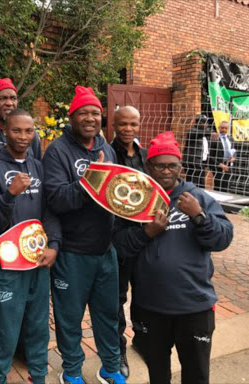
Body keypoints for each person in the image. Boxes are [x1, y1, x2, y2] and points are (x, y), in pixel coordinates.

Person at [112, 131, 234, 384]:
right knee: (158, 373)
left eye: (172, 165)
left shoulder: (198, 198)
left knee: (196, 373)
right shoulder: (135, 201)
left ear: (180, 167)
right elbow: (120, 247)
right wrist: (147, 232)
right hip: (150, 307)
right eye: (160, 166)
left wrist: (199, 216)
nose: (166, 171)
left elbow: (222, 239)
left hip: (194, 306)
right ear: (148, 166)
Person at [43, 86, 126, 384]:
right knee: (69, 319)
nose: (90, 118)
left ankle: (110, 367)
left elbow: (115, 193)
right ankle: (72, 370)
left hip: (105, 250)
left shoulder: (107, 148)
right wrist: (92, 178)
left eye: (96, 113)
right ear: (73, 116)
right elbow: (56, 199)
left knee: (108, 313)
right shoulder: (57, 152)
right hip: (72, 253)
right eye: (84, 113)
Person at [0, 108, 60, 384]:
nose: (23, 137)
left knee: (38, 327)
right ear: (5, 132)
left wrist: (55, 246)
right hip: (8, 265)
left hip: (38, 261)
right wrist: (9, 195)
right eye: (17, 130)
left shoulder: (38, 166)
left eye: (29, 131)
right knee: (5, 329)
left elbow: (50, 211)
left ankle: (39, 376)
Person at [110, 105, 148, 379]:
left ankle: (143, 339)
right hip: (119, 238)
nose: (127, 129)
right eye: (123, 124)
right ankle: (118, 349)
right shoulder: (108, 154)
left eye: (133, 124)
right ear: (114, 124)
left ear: (139, 126)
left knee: (145, 293)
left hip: (146, 236)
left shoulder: (146, 156)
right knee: (117, 298)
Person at [182, 114, 212, 189]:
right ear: (198, 123)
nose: (206, 124)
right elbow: (197, 134)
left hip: (201, 163)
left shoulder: (205, 133)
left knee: (201, 184)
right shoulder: (193, 131)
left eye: (206, 122)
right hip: (193, 163)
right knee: (193, 184)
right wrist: (210, 133)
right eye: (204, 122)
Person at [209, 120, 236, 192]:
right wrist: (219, 164)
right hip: (218, 166)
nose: (224, 130)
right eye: (222, 128)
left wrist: (234, 157)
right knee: (218, 186)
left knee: (227, 186)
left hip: (228, 165)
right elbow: (210, 155)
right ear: (219, 128)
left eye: (226, 128)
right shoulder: (215, 139)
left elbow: (234, 150)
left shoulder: (230, 139)